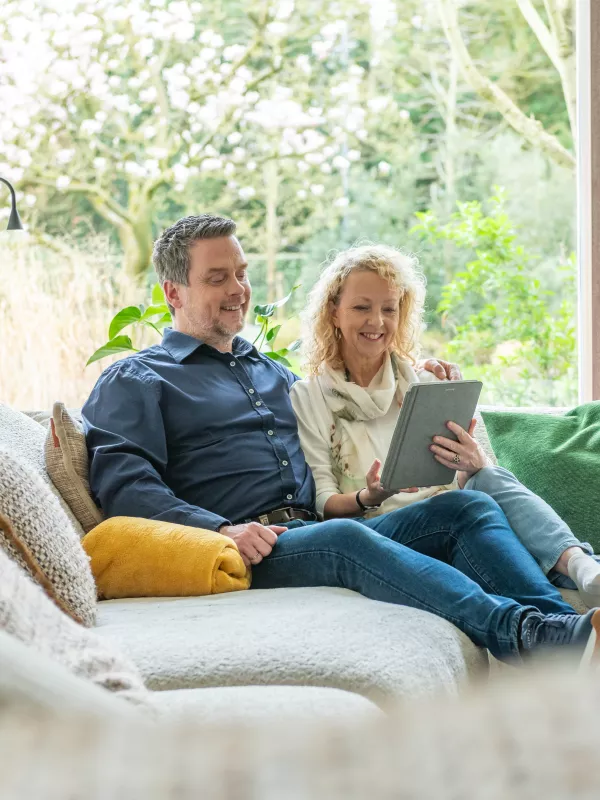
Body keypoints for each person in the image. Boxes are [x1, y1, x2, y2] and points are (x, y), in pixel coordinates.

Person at [82, 214, 598, 664]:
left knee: (467, 507)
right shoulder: (138, 379)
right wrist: (222, 530)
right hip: (252, 548)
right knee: (345, 537)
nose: (238, 289)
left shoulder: (275, 376)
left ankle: (573, 633)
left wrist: (418, 373)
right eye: (218, 278)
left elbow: (353, 389)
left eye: (242, 273)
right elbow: (126, 489)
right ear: (173, 293)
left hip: (315, 529)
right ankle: (524, 634)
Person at [290, 243, 600, 609]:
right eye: (362, 307)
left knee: (486, 477)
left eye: (389, 308)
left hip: (455, 510)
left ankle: (578, 566)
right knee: (471, 506)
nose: (377, 322)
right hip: (386, 529)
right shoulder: (309, 395)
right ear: (333, 312)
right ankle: (572, 588)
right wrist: (371, 495)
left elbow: (461, 478)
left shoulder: (423, 381)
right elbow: (324, 504)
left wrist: (472, 462)